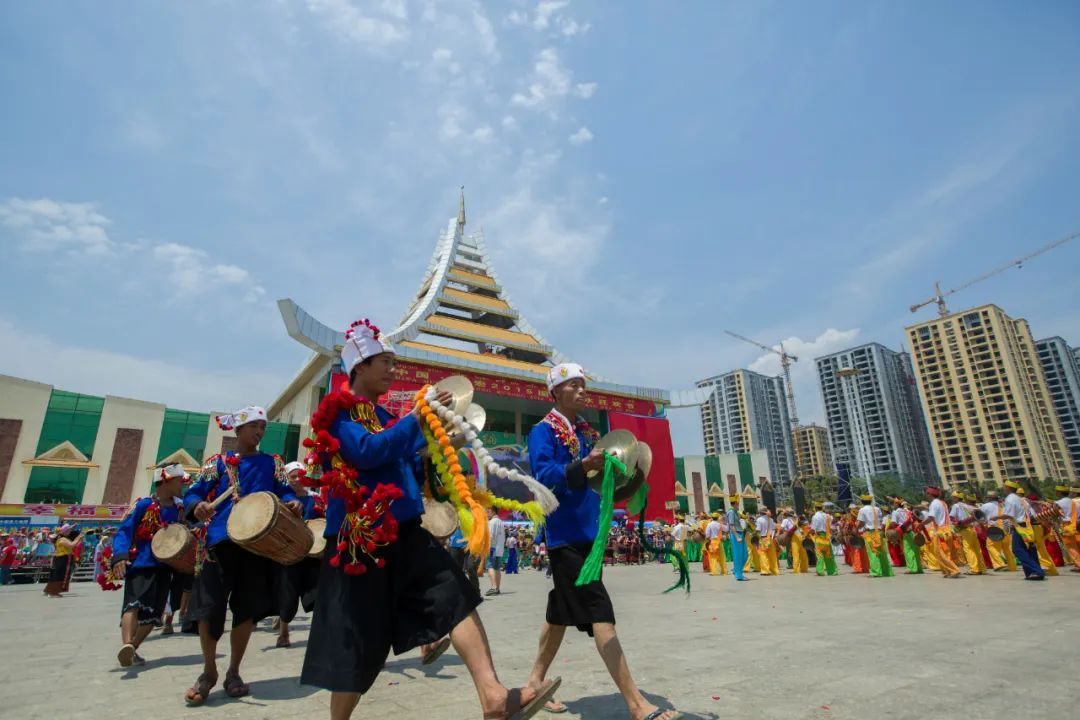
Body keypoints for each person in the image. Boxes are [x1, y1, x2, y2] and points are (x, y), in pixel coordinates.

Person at [300, 319, 558, 720]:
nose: (392, 369)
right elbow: (368, 452)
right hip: (360, 542)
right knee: (359, 649)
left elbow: (404, 459)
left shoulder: (384, 413)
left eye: (393, 362)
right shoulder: (337, 413)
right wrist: (417, 419)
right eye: (384, 362)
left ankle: (493, 697)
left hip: (404, 530)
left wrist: (440, 439)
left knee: (456, 597)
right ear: (359, 368)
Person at [524, 362, 683, 720]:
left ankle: (534, 683)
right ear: (556, 392)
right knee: (600, 613)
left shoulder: (584, 430)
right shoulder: (542, 431)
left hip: (587, 534)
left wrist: (628, 475)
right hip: (563, 535)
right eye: (574, 385)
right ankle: (636, 704)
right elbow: (544, 476)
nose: (583, 390)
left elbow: (599, 477)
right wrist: (584, 464)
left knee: (560, 612)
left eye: (584, 385)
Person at [181, 406, 301, 704]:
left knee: (246, 609)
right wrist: (198, 505)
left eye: (263, 427)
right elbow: (193, 493)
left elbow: (285, 491)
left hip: (256, 545)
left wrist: (293, 503)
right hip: (220, 541)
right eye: (254, 427)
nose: (259, 432)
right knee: (209, 609)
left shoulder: (272, 463)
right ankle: (209, 671)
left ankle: (233, 670)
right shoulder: (217, 463)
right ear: (238, 430)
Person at [110, 463, 188, 666]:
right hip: (141, 564)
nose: (183, 485)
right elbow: (125, 530)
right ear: (166, 481)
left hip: (165, 566)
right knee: (133, 605)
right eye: (180, 481)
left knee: (156, 613)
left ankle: (132, 648)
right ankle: (126, 643)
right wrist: (120, 555)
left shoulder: (180, 508)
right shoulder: (144, 505)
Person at [273, 461, 323, 648]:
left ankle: (320, 633)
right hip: (289, 552)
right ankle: (284, 631)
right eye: (293, 476)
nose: (297, 480)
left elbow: (321, 522)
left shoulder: (314, 498)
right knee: (288, 593)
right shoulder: (280, 499)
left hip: (311, 552)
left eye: (300, 476)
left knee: (317, 593)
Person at [854, 495, 892, 578]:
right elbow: (880, 520)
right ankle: (886, 571)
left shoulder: (862, 510)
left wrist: (857, 528)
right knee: (882, 552)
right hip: (878, 532)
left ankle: (876, 572)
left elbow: (861, 522)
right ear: (871, 501)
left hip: (870, 533)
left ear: (862, 502)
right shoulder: (877, 509)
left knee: (873, 553)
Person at [948, 491, 985, 575]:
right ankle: (982, 568)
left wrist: (957, 525)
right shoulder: (967, 506)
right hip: (973, 528)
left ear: (956, 498)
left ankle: (974, 569)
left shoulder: (956, 506)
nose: (952, 499)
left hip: (965, 528)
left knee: (968, 548)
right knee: (976, 548)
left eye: (953, 497)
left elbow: (952, 517)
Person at [42, 525, 80, 597]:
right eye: (68, 530)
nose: (70, 532)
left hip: (60, 558)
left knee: (56, 575)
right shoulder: (62, 539)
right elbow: (72, 545)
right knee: (60, 575)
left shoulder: (60, 538)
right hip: (63, 558)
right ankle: (53, 592)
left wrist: (71, 528)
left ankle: (50, 590)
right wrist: (79, 538)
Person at [890, 498, 922, 574]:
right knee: (915, 550)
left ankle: (912, 569)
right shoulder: (908, 511)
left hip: (905, 532)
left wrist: (893, 531)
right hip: (913, 531)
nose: (893, 505)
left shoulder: (895, 512)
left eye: (894, 503)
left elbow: (893, 523)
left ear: (897, 504)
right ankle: (918, 568)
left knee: (908, 550)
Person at [1053, 484, 1080, 572]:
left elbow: (1055, 515)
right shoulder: (1074, 501)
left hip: (1067, 525)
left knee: (1071, 547)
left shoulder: (1058, 503)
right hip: (1076, 523)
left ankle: (1078, 565)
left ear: (1059, 493)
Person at [809, 503, 837, 576]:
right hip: (827, 537)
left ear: (815, 508)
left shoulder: (815, 516)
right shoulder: (828, 516)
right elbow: (833, 521)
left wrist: (808, 535)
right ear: (822, 508)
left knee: (820, 555)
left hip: (819, 537)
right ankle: (832, 571)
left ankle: (820, 571)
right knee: (829, 555)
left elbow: (813, 529)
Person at [487, 507, 506, 596]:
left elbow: (490, 536)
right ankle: (497, 588)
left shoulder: (492, 522)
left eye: (488, 511)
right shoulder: (501, 522)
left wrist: (487, 547)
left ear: (493, 511)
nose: (487, 512)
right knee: (497, 568)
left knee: (490, 567)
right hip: (500, 549)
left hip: (492, 548)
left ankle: (494, 587)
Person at [704, 512, 725, 576]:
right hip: (719, 541)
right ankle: (724, 571)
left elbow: (707, 535)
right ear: (717, 518)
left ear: (712, 518)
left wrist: (707, 541)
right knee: (721, 557)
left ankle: (714, 572)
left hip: (712, 541)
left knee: (713, 557)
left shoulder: (709, 524)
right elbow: (726, 529)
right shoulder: (720, 524)